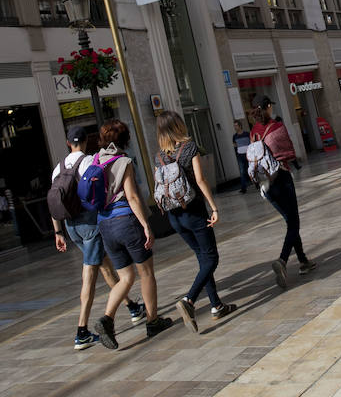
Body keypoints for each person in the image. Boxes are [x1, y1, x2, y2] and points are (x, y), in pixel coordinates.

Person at [50, 126, 146, 350]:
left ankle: (132, 306)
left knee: (104, 266)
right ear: (86, 142)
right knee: (90, 274)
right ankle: (81, 330)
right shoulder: (89, 162)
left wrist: (58, 232)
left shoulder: (58, 168)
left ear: (68, 143)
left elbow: (54, 201)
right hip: (90, 224)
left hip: (70, 226)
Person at [93, 119, 172, 349]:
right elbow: (133, 197)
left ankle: (106, 318)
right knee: (146, 273)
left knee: (126, 277)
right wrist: (146, 225)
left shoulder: (96, 160)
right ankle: (152, 321)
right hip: (126, 221)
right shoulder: (123, 161)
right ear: (125, 140)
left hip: (105, 225)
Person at [156, 112, 236, 334]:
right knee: (211, 257)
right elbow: (200, 179)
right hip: (193, 212)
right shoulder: (189, 148)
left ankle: (216, 305)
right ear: (178, 126)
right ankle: (189, 300)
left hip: (174, 216)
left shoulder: (159, 156)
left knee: (202, 257)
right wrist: (214, 207)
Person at [250, 95, 315, 290]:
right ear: (268, 107)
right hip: (282, 177)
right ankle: (283, 260)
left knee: (290, 221)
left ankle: (303, 260)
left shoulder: (253, 132)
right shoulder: (277, 126)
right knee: (293, 222)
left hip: (266, 185)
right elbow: (288, 150)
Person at [232, 120, 250, 193]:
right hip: (240, 155)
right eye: (234, 126)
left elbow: (251, 142)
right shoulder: (234, 136)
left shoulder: (247, 134)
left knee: (251, 170)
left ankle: (257, 183)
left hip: (248, 155)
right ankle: (243, 188)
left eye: (236, 125)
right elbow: (235, 145)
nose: (235, 127)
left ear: (240, 126)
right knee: (242, 171)